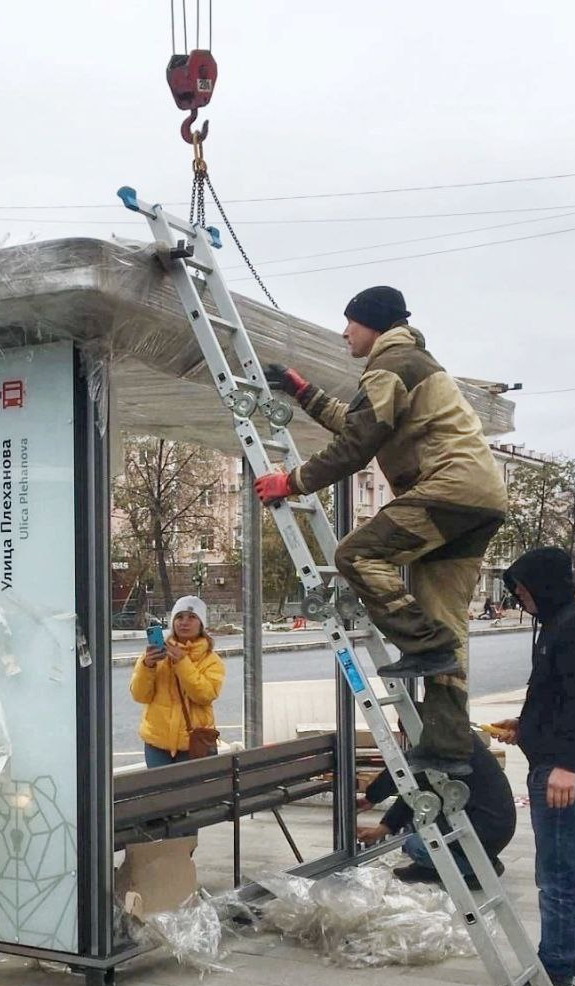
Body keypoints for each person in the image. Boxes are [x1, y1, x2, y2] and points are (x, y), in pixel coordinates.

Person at [256, 286, 508, 777]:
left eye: (350, 322)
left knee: (357, 555)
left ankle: (421, 643)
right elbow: (360, 424)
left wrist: (291, 481)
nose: (344, 331)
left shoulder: (393, 363)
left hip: (450, 490)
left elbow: (355, 447)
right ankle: (449, 748)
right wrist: (300, 388)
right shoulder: (408, 363)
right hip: (478, 499)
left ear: (373, 323)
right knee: (448, 628)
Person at [495, 547, 575, 986]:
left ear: (543, 585)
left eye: (522, 589)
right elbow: (557, 699)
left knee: (558, 873)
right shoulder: (559, 625)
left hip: (566, 770)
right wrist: (523, 728)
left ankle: (555, 971)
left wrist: (565, 764)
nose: (519, 597)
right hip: (557, 761)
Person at [358, 733, 516, 889]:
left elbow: (405, 771)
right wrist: (383, 829)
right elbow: (416, 791)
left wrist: (372, 797)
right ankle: (479, 861)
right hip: (494, 829)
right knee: (424, 809)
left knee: (416, 845)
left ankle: (472, 870)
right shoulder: (460, 737)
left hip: (485, 831)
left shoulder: (441, 745)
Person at [130, 595, 225, 767]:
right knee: (160, 792)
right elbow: (139, 695)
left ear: (201, 624)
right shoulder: (156, 655)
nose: (184, 622)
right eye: (179, 617)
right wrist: (147, 665)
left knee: (193, 793)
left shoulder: (211, 660)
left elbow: (204, 695)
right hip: (157, 744)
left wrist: (182, 663)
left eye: (191, 617)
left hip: (193, 744)